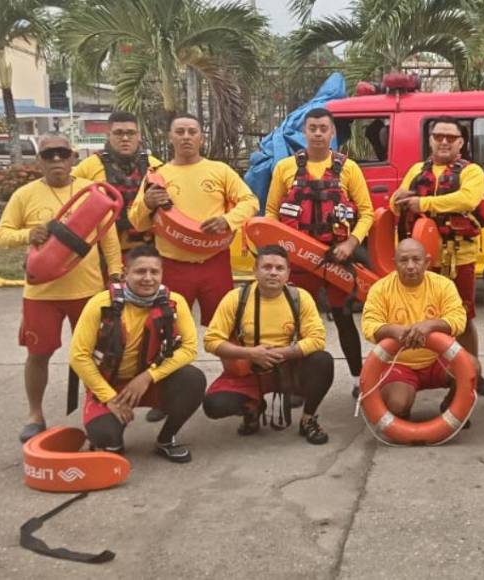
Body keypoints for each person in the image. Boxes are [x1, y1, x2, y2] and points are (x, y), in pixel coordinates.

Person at [128, 114, 258, 422]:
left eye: (192, 131)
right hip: (171, 267)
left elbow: (250, 201)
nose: (186, 137)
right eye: (180, 132)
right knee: (165, 332)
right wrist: (147, 202)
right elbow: (136, 220)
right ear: (170, 137)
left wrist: (228, 220)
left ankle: (243, 391)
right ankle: (164, 395)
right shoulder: (157, 175)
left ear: (201, 137)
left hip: (214, 264)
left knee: (230, 332)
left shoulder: (220, 170)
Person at [0, 134, 123, 443]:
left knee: (97, 355)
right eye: (48, 155)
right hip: (41, 295)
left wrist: (116, 274)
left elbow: (108, 237)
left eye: (62, 154)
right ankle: (35, 415)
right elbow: (1, 235)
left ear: (72, 157)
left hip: (87, 292)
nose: (55, 160)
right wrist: (28, 235)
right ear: (39, 159)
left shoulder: (89, 193)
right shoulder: (25, 195)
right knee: (38, 354)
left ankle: (98, 409)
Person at [265, 107, 372, 397]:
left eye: (323, 128)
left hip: (336, 258)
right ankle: (296, 383)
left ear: (332, 132)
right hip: (298, 262)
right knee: (297, 321)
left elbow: (366, 213)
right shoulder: (285, 168)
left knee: (343, 317)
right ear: (304, 131)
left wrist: (351, 244)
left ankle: (358, 378)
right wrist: (281, 254)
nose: (317, 133)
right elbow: (272, 213)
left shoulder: (349, 169)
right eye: (312, 128)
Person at [390, 116, 484, 398]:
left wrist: (423, 202)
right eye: (438, 136)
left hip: (457, 256)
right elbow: (396, 204)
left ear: (461, 143)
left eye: (451, 137)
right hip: (421, 260)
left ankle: (474, 372)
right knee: (422, 314)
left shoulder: (471, 172)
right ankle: (415, 369)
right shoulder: (416, 169)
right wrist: (397, 199)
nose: (444, 141)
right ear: (430, 140)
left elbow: (466, 200)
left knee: (462, 315)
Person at [69, 245, 205, 462]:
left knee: (193, 379)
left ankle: (166, 439)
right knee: (106, 438)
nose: (148, 278)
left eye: (154, 272)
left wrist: (147, 377)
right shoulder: (100, 304)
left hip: (150, 382)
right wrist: (109, 397)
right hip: (111, 385)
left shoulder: (175, 302)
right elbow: (79, 356)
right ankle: (112, 438)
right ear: (125, 273)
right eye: (140, 272)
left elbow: (189, 349)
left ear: (162, 274)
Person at [202, 245, 335, 443]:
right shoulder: (236, 299)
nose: (273, 272)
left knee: (322, 361)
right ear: (254, 270)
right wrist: (250, 354)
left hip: (288, 367)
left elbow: (317, 339)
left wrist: (281, 353)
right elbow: (211, 341)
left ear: (288, 273)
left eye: (279, 268)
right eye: (267, 267)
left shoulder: (300, 297)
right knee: (214, 405)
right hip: (250, 368)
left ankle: (308, 419)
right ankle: (253, 408)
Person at [360, 239, 468, 420]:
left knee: (471, 366)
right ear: (394, 263)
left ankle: (451, 406)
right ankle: (401, 411)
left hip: (437, 360)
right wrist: (394, 331)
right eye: (403, 260)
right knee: (397, 405)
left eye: (416, 260)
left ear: (427, 262)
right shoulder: (380, 289)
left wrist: (430, 325)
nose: (410, 266)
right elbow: (369, 325)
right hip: (399, 363)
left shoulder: (443, 285)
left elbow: (459, 320)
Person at [72, 110, 163, 252]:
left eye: (131, 133)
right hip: (103, 250)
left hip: (146, 250)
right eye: (118, 133)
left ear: (138, 136)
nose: (125, 138)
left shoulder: (156, 166)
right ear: (108, 136)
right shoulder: (87, 167)